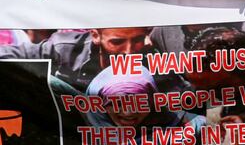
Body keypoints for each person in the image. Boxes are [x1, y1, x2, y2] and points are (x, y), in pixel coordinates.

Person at [0, 27, 152, 92]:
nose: (129, 51)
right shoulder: (65, 48)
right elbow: (13, 54)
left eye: (138, 40)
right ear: (95, 36)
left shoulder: (154, 53)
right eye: (117, 42)